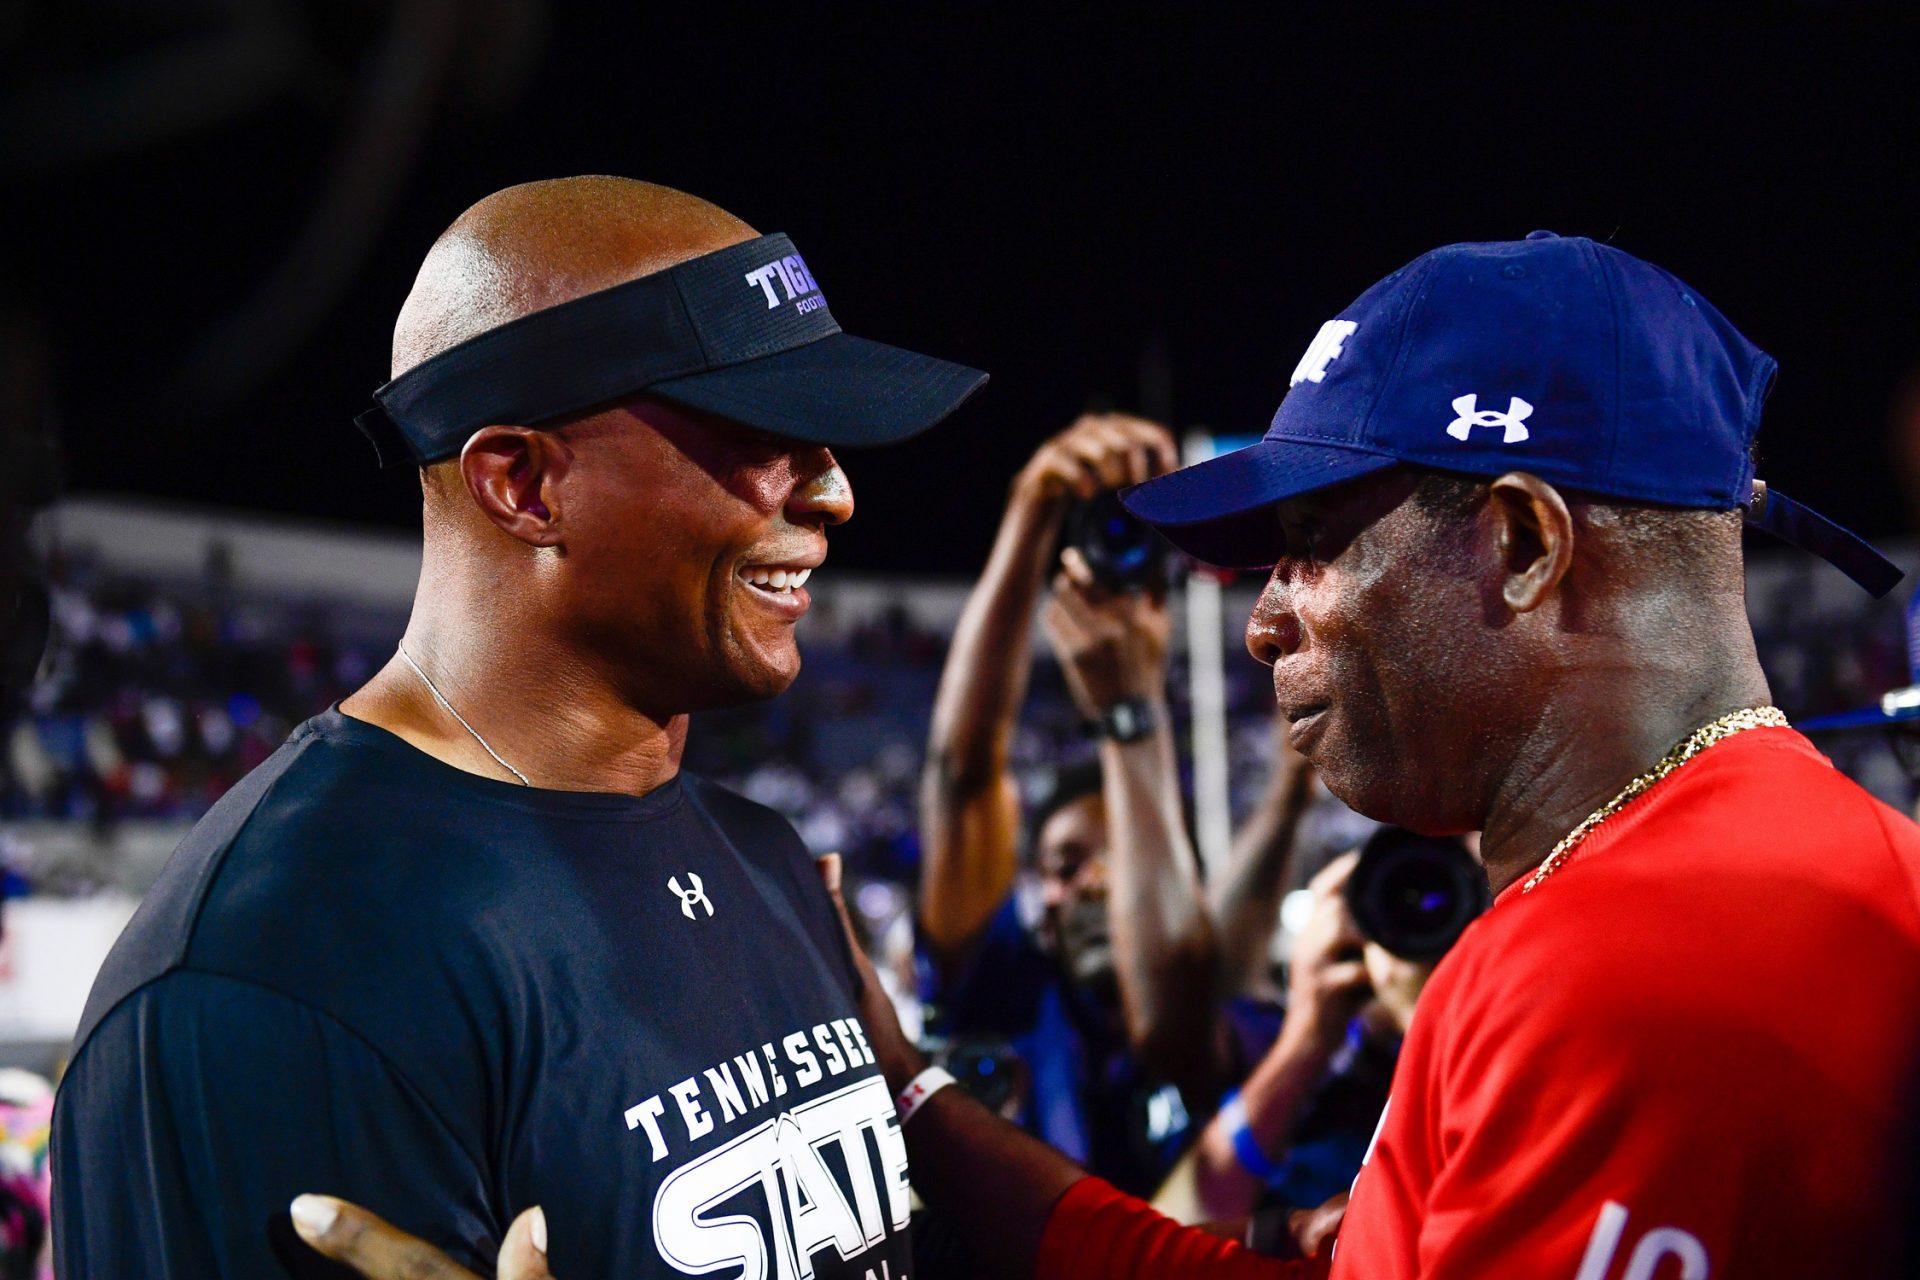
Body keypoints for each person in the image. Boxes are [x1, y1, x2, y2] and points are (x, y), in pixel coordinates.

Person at [820, 232, 1920, 1279]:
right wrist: (919, 1096)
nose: (1262, 622)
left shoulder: (1607, 967)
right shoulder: (1842, 855)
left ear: (1525, 543)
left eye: (1309, 544)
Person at [50, 176, 988, 1279]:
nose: (833, 492)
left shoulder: (769, 857)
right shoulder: (271, 971)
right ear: (524, 483)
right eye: (768, 429)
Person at [917, 415, 1315, 1193]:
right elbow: (964, 775)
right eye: (1068, 863)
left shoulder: (1211, 1017)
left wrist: (1133, 709)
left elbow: (1179, 986)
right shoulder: (1008, 991)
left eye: (1117, 858)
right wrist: (1032, 509)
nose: (1097, 882)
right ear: (1037, 891)